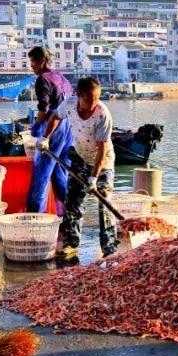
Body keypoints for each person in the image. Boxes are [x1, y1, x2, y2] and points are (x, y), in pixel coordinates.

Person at [40, 76, 116, 260]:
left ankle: (109, 248)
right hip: (80, 157)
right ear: (79, 96)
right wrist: (45, 138)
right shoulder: (69, 104)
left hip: (102, 163)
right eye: (89, 99)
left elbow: (102, 149)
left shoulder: (103, 115)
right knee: (73, 202)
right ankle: (71, 243)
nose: (93, 103)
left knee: (104, 204)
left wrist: (94, 179)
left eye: (97, 98)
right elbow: (55, 117)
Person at [26, 46, 73, 213]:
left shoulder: (43, 79)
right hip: (68, 128)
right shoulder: (61, 77)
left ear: (42, 61)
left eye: (33, 62)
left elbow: (44, 109)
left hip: (53, 127)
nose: (31, 66)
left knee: (42, 174)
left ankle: (34, 216)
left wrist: (36, 128)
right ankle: (67, 216)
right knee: (61, 173)